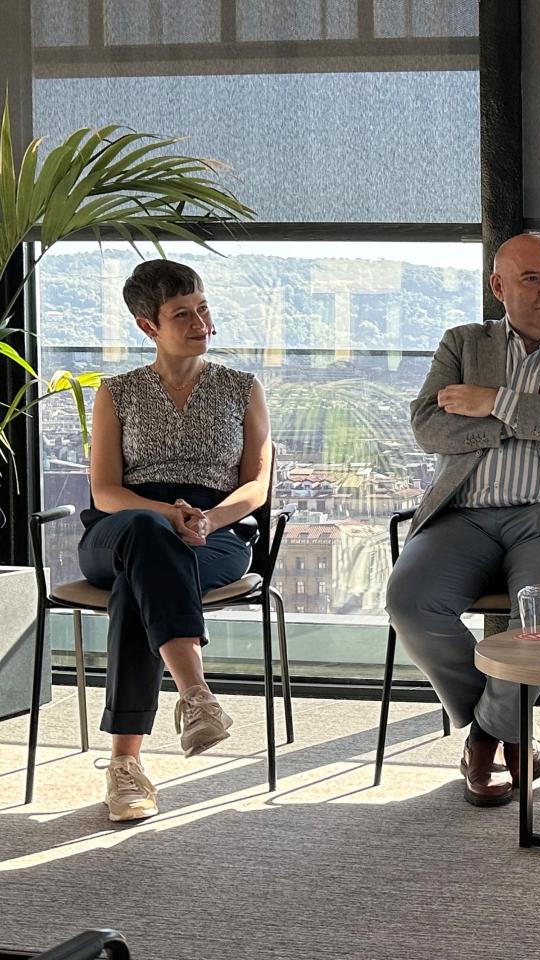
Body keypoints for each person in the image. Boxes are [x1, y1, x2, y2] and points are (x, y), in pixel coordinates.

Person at [386, 234, 540, 807]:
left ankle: (486, 735)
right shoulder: (462, 343)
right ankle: (513, 729)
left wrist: (492, 400)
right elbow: (429, 429)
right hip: (463, 516)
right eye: (532, 280)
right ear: (498, 287)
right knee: (410, 602)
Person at [83, 260, 272, 822]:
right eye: (183, 314)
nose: (201, 323)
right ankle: (195, 694)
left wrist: (209, 519)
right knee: (146, 538)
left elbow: (257, 483)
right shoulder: (116, 392)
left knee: (139, 586)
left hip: (214, 533)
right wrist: (167, 512)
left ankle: (125, 766)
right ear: (148, 327)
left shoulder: (242, 388)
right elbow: (105, 490)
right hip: (123, 527)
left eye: (204, 308)